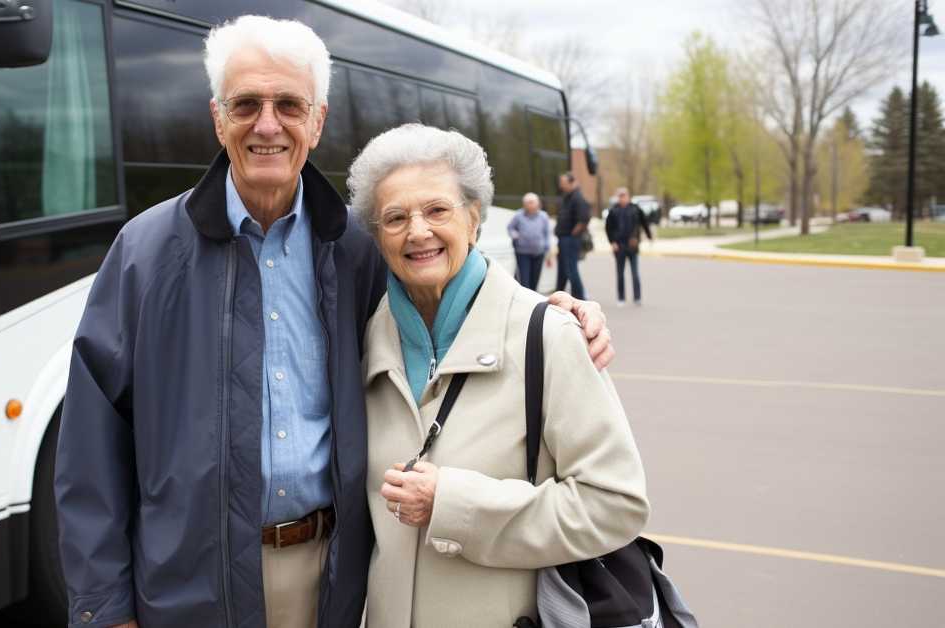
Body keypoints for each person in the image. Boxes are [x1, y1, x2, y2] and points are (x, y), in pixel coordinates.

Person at [53, 16, 616, 628]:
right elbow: (91, 446)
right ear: (218, 118)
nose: (268, 124)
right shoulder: (145, 252)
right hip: (188, 587)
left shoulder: (355, 248)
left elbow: (449, 301)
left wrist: (553, 313)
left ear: (317, 122)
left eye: (289, 105)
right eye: (247, 104)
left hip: (329, 579)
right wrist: (104, 608)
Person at [347, 124, 649, 627]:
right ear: (377, 237)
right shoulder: (359, 343)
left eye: (437, 210)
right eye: (395, 218)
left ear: (473, 217)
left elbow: (615, 504)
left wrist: (454, 503)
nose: (417, 231)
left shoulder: (549, 336)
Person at [605, 187, 654, 306]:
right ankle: (621, 298)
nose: (622, 198)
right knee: (620, 273)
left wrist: (649, 236)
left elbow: (644, 223)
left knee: (635, 272)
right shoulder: (613, 211)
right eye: (620, 196)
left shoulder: (635, 209)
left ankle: (637, 297)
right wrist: (612, 242)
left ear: (628, 196)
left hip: (632, 245)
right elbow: (608, 228)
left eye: (624, 195)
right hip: (619, 246)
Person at [555, 172, 590, 299]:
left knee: (571, 270)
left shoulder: (577, 198)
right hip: (564, 238)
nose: (561, 185)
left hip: (570, 239)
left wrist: (572, 234)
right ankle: (559, 295)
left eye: (563, 183)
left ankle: (580, 298)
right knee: (563, 270)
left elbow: (583, 219)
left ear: (571, 183)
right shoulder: (567, 196)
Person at [507, 192, 553, 290]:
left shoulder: (543, 216)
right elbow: (510, 228)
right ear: (524, 204)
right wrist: (515, 236)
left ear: (538, 204)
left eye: (533, 202)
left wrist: (548, 252)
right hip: (523, 253)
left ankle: (533, 300)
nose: (531, 205)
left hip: (539, 252)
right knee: (524, 280)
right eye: (528, 202)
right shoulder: (519, 215)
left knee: (535, 279)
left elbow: (547, 234)